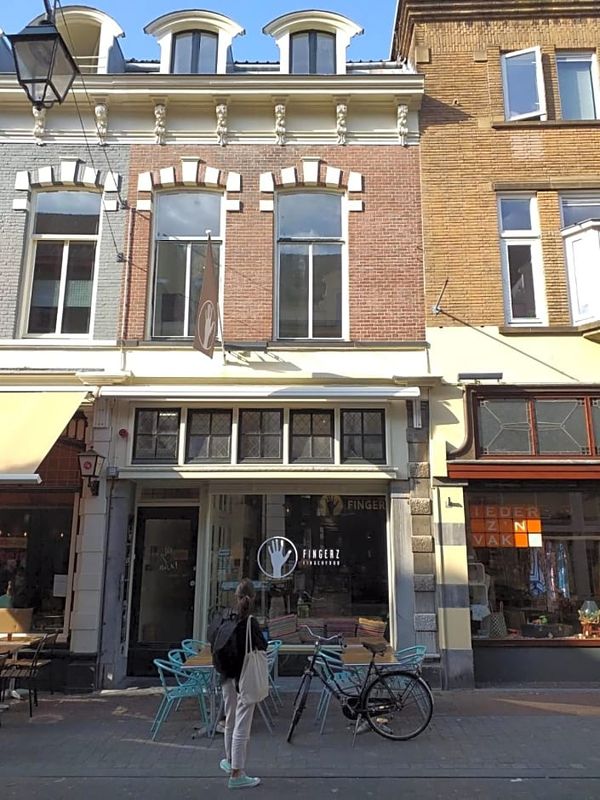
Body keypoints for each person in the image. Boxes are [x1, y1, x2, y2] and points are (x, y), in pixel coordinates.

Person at [213, 578, 266, 790]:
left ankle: (229, 761)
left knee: (230, 720)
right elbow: (262, 645)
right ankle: (237, 773)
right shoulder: (250, 622)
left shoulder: (227, 616)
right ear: (253, 597)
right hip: (244, 677)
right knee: (242, 726)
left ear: (235, 596)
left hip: (227, 676)